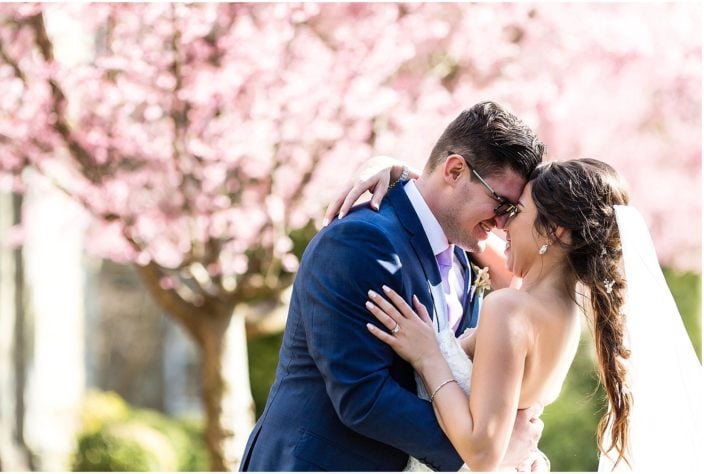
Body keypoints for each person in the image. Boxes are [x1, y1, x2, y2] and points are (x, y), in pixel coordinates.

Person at [335, 158, 703, 471]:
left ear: (555, 230)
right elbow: (451, 215)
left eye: (516, 212)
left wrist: (429, 355)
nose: (503, 224)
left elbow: (481, 453)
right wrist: (395, 168)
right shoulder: (564, 313)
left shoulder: (510, 309)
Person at [239, 101, 547, 471]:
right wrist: (481, 454)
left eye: (511, 211)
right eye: (499, 202)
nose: (501, 222)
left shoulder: (463, 265)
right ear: (454, 169)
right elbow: (362, 394)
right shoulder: (362, 241)